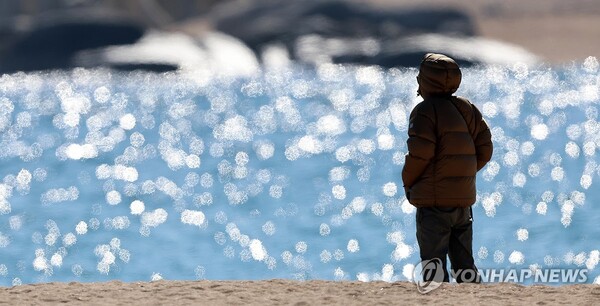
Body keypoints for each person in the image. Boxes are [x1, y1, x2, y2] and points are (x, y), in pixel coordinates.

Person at [402, 53, 493, 283]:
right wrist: (461, 175)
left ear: (426, 82)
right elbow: (485, 149)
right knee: (465, 265)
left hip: (433, 204)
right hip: (463, 202)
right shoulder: (467, 108)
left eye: (420, 77)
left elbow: (419, 155)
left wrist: (408, 183)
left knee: (434, 266)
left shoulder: (424, 112)